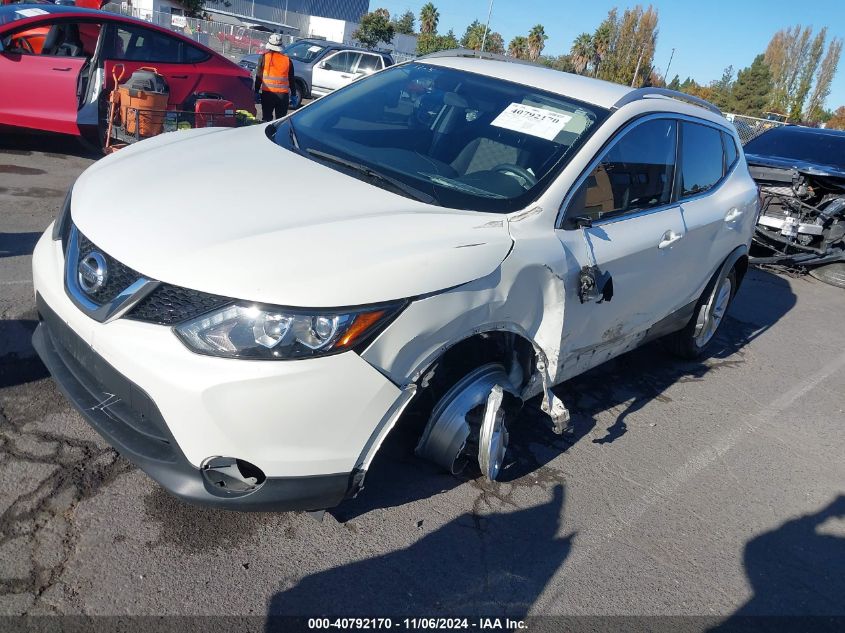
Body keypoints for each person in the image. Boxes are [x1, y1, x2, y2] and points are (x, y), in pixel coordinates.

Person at [254, 33, 295, 122]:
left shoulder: (264, 57)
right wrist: (294, 95)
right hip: (282, 96)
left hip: (267, 95)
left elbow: (259, 76)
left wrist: (256, 91)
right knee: (280, 122)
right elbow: (291, 79)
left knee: (266, 120)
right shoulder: (288, 60)